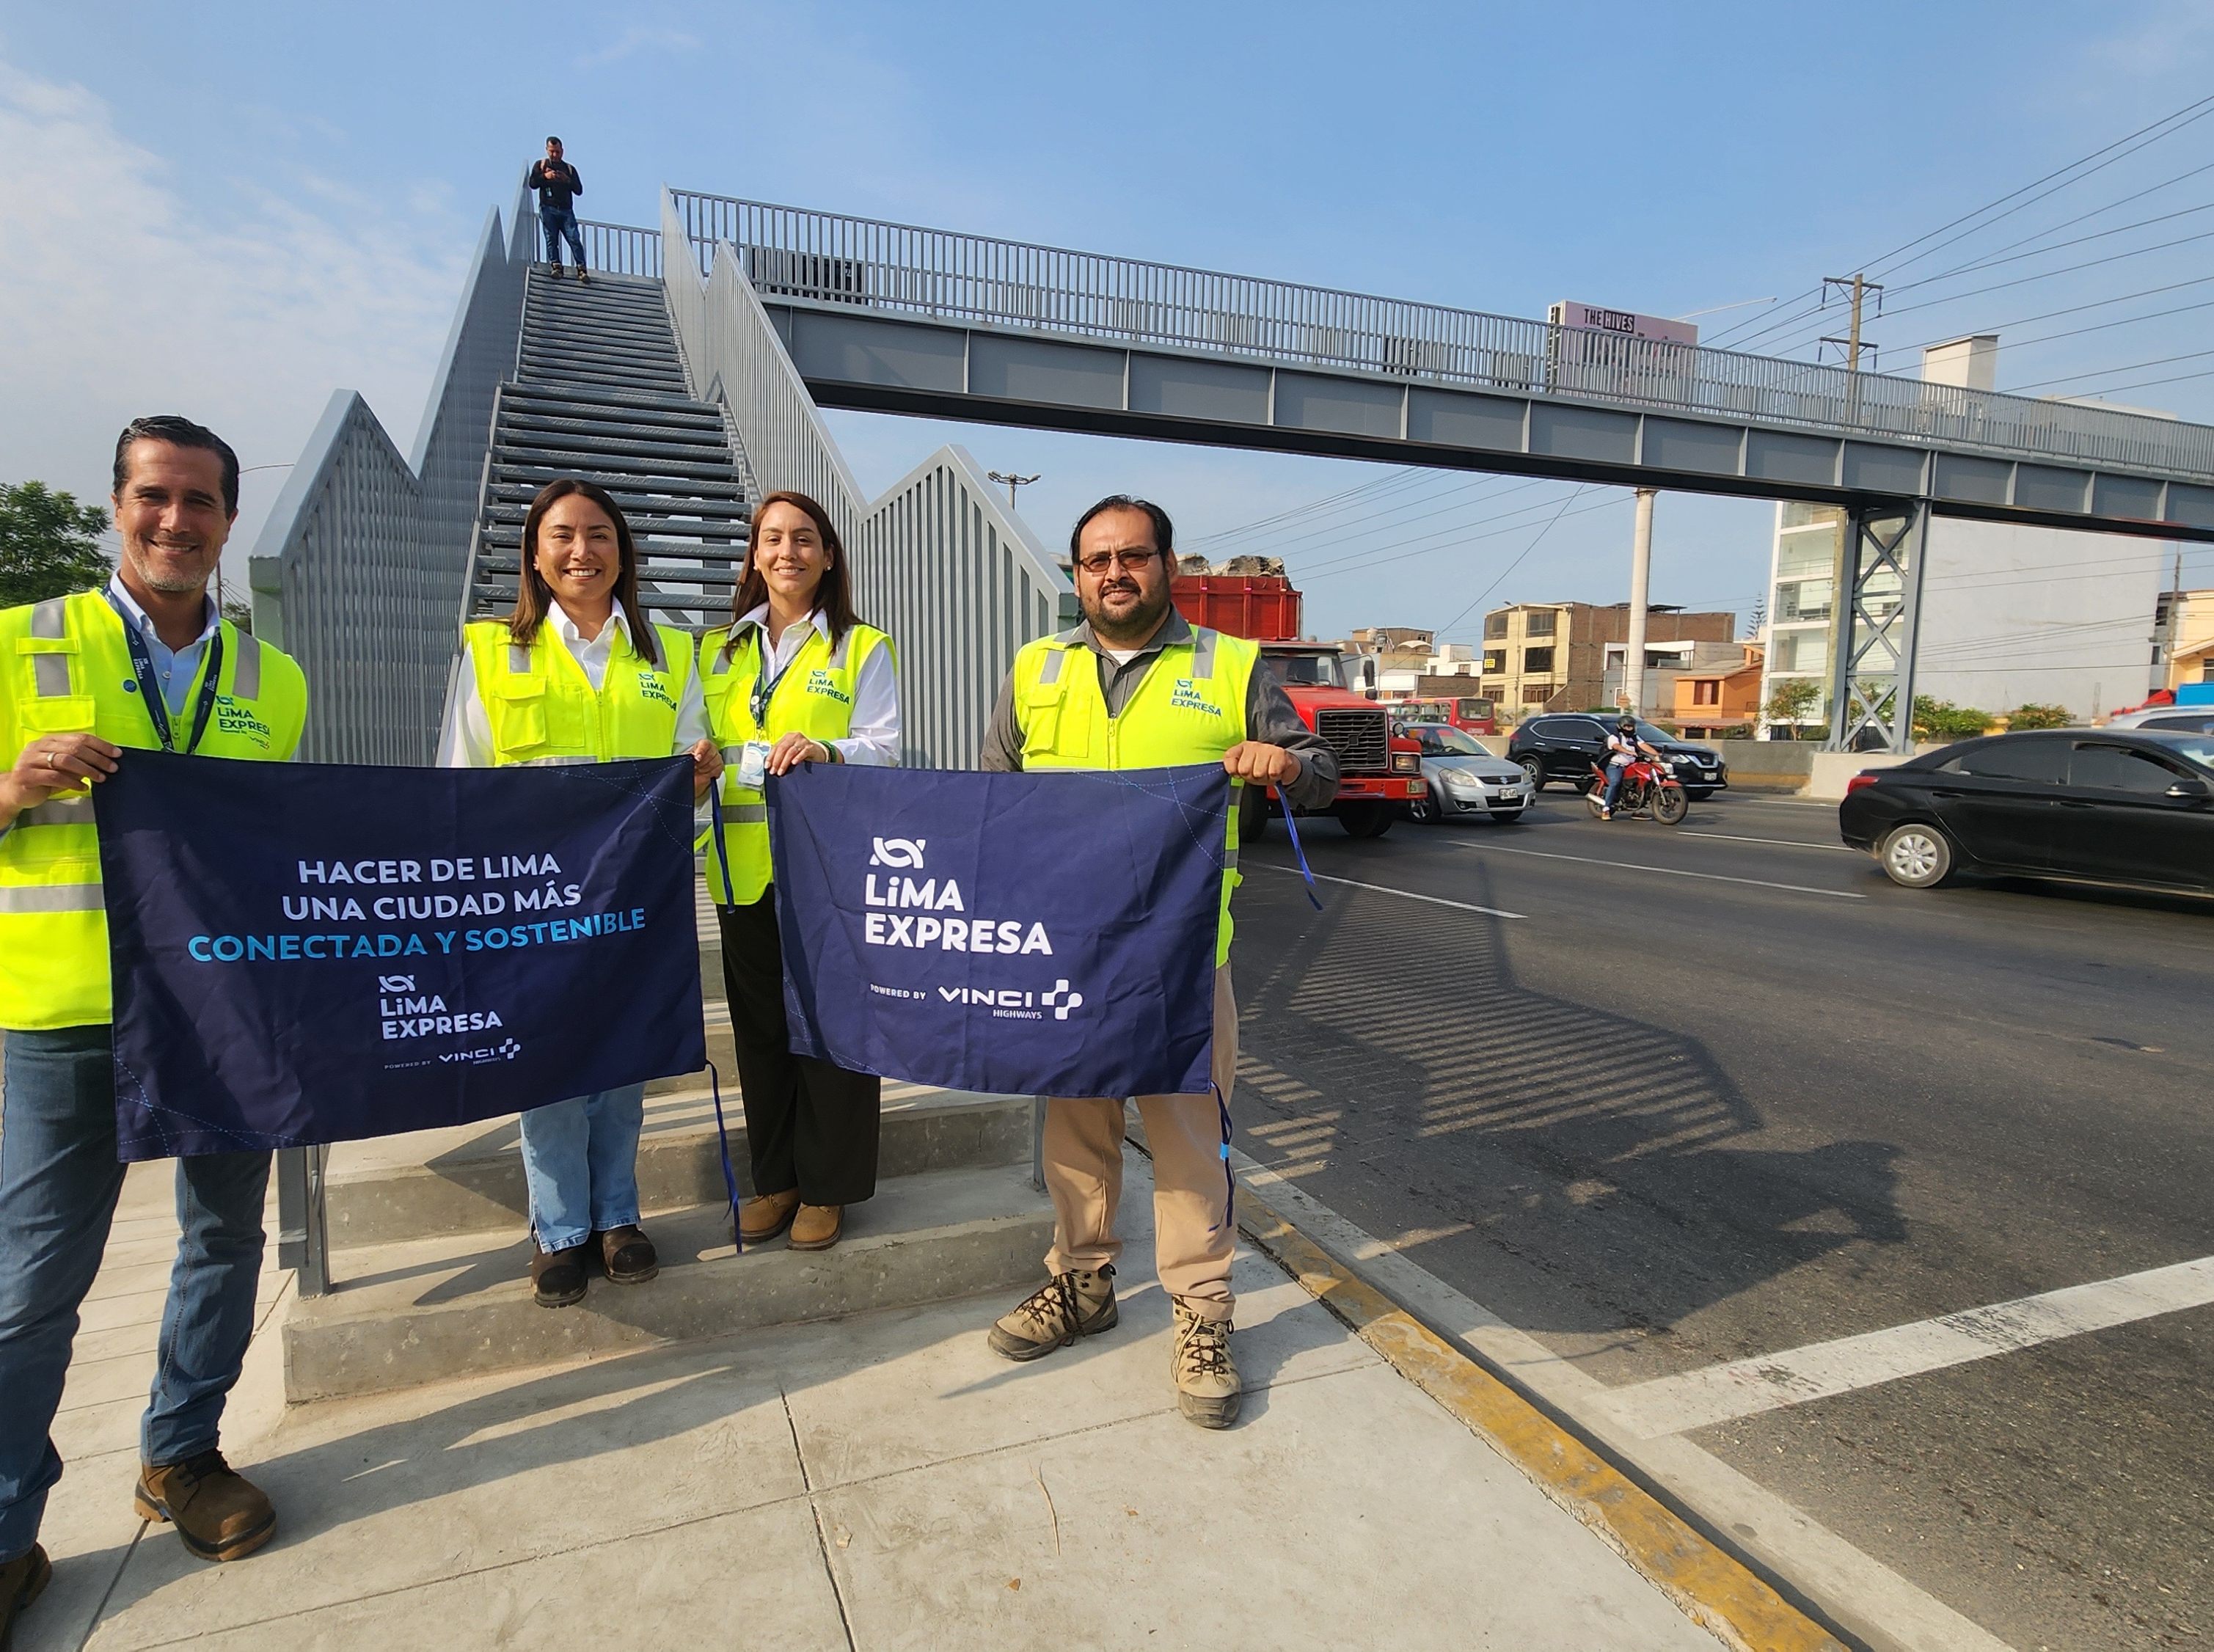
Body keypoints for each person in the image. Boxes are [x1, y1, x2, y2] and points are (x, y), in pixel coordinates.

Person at [0, 417, 311, 1635]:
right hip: (65, 1014)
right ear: (117, 506)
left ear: (229, 521)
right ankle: (7, 1529)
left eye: (198, 502)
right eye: (152, 495)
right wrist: (14, 785)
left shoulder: (274, 681)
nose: (174, 520)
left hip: (223, 1014)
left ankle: (180, 1452)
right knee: (33, 1283)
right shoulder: (21, 644)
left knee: (224, 1240)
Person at [976, 495, 1338, 1429]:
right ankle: (1082, 1282)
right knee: (1076, 1131)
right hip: (1067, 956)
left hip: (1180, 959)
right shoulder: (1034, 667)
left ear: (1168, 565)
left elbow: (1321, 768)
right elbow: (992, 802)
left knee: (1187, 1143)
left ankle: (1203, 1312)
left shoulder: (1230, 664)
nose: (1115, 573)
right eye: (1096, 560)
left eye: (1133, 555)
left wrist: (1285, 766)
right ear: (1076, 574)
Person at [436, 478, 721, 1307]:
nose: (581, 551)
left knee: (623, 1058)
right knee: (550, 1062)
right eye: (562, 534)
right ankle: (559, 1228)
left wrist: (698, 779)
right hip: (531, 902)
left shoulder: (669, 651)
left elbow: (689, 768)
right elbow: (461, 780)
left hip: (633, 893)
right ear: (535, 553)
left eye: (599, 534)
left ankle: (618, 1216)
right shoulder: (494, 651)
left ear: (623, 552)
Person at [704, 491, 899, 1254]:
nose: (788, 552)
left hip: (829, 873)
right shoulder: (717, 651)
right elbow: (699, 743)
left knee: (833, 1029)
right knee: (760, 1033)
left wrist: (829, 750)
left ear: (827, 555)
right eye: (774, 539)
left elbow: (884, 747)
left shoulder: (861, 647)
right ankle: (776, 1179)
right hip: (742, 871)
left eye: (805, 539)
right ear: (755, 554)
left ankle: (826, 1185)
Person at [527, 136, 586, 282]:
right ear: (547, 150)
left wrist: (566, 179)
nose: (555, 155)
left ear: (562, 151)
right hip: (548, 207)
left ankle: (582, 268)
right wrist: (545, 176)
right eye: (552, 151)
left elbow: (579, 190)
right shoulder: (540, 165)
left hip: (566, 210)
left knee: (574, 238)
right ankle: (556, 266)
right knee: (551, 238)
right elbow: (533, 183)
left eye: (558, 152)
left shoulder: (569, 169)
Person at [1600, 715, 1662, 819]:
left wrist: (1657, 754)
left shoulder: (1635, 737)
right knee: (1615, 782)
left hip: (1631, 766)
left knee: (1643, 782)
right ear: (1621, 727)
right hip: (1616, 766)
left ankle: (1637, 809)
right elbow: (1617, 746)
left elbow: (1643, 745)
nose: (1629, 729)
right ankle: (1606, 809)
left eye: (1631, 727)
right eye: (1627, 727)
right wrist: (1629, 752)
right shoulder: (1614, 737)